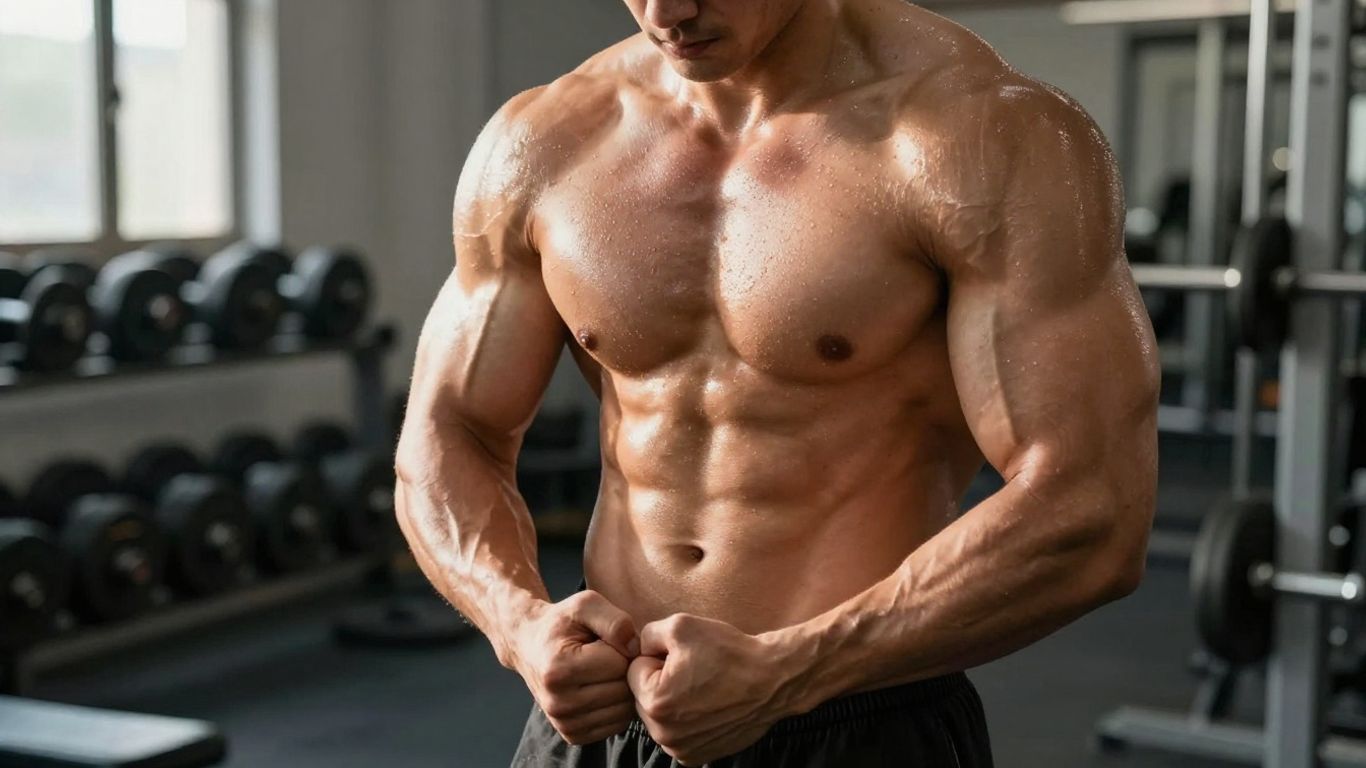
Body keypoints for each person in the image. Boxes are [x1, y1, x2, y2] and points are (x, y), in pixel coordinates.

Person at [394, 0, 1159, 765]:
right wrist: (520, 625)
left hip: (854, 716)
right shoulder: (547, 140)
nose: (667, 11)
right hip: (601, 721)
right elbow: (447, 431)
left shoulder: (983, 137)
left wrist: (790, 673)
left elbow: (1091, 505)